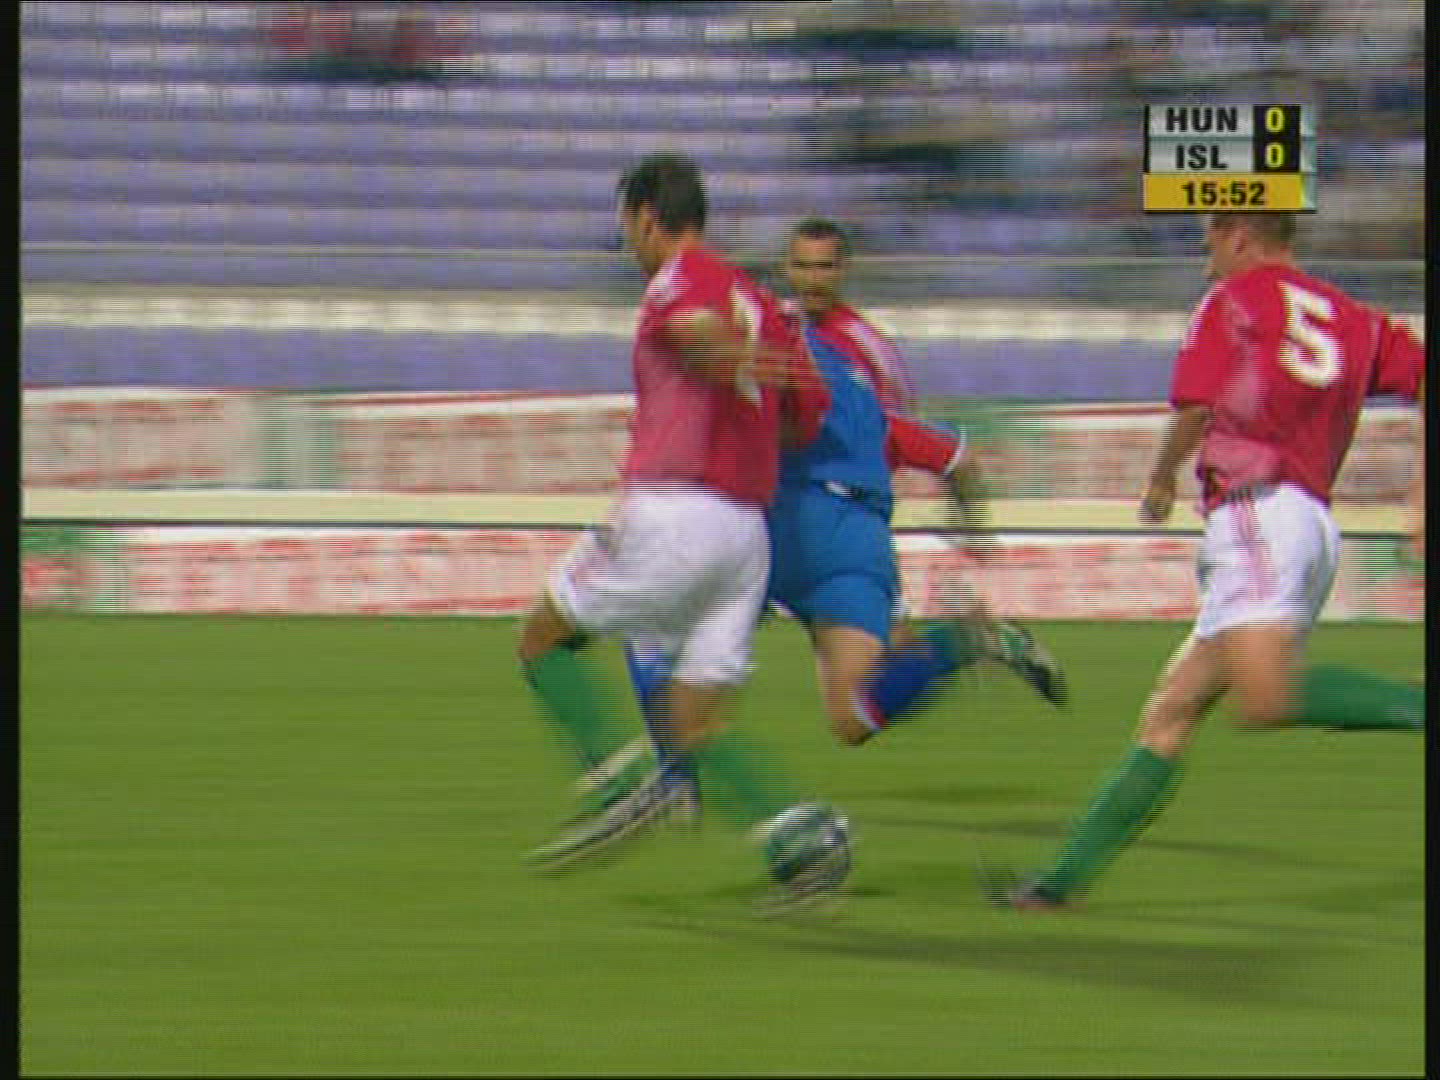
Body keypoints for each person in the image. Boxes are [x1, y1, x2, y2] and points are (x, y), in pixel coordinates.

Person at [983, 211, 1426, 911]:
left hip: (1256, 511)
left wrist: (1161, 479)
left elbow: (1194, 410)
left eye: (1211, 240)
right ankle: (1058, 884)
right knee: (1173, 711)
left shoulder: (1232, 302)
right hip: (1306, 523)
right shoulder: (1353, 318)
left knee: (1265, 697)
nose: (1206, 256)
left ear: (1240, 236)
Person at [614, 217, 1066, 812]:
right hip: (855, 532)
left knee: (655, 621)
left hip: (787, 521)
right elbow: (938, 448)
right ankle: (963, 640)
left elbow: (747, 404)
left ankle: (676, 778)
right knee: (857, 710)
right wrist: (968, 522)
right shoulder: (843, 356)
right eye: (802, 266)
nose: (812, 279)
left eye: (823, 266)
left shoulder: (788, 347)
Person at [516, 153, 840, 901]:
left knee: (541, 639)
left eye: (629, 227)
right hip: (746, 535)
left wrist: (724, 354)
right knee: (693, 725)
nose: (630, 243)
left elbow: (695, 329)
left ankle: (614, 784)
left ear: (648, 219)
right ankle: (801, 846)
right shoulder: (764, 301)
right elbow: (806, 415)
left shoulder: (679, 278)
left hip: (674, 514)